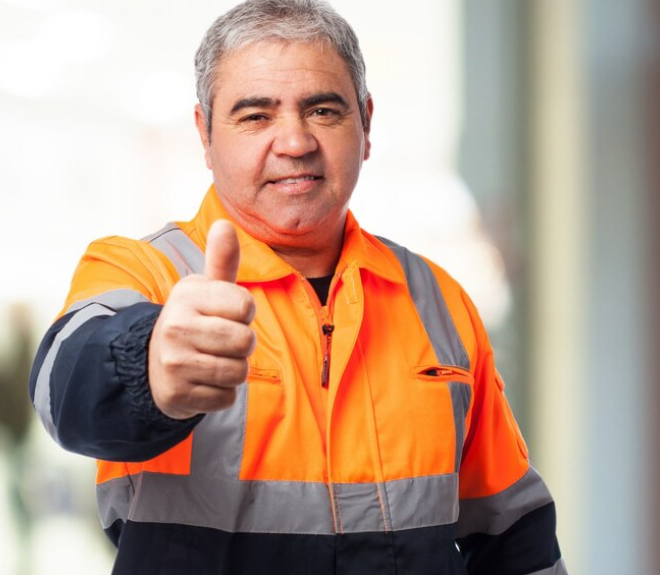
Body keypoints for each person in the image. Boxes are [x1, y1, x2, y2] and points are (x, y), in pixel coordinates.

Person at [29, 1, 569, 573]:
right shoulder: (144, 271)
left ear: (365, 125)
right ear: (204, 134)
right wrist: (146, 364)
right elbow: (63, 386)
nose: (294, 141)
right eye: (255, 115)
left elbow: (513, 533)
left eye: (323, 110)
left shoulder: (436, 298)